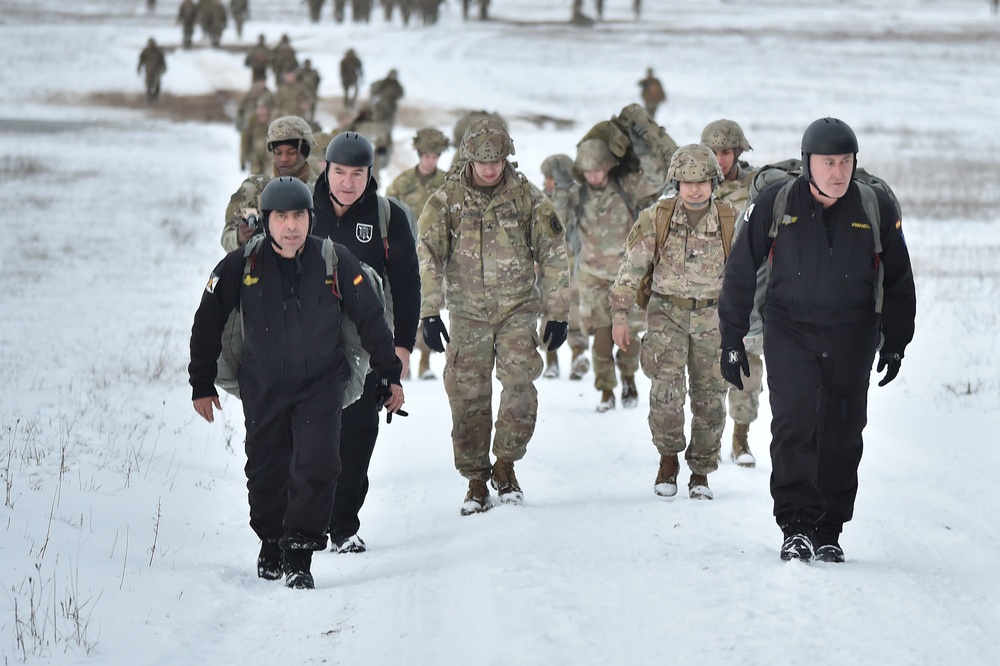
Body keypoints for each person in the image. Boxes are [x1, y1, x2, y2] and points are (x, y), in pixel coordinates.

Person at [189, 177, 404, 589]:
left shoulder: (336, 260)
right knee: (267, 469)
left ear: (310, 217)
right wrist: (201, 381)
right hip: (263, 383)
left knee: (318, 465)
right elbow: (208, 319)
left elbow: (372, 320)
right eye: (282, 217)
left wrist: (389, 375)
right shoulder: (240, 264)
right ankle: (271, 539)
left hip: (321, 382)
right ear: (267, 220)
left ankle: (300, 554)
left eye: (299, 216)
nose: (291, 226)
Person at [718, 117, 916, 562]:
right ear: (808, 162)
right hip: (790, 328)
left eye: (845, 162)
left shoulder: (874, 206)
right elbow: (740, 269)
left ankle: (829, 530)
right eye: (828, 162)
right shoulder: (774, 201)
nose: (838, 172)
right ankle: (796, 526)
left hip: (854, 330)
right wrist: (731, 337)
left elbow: (900, 277)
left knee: (843, 432)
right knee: (795, 425)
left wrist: (897, 340)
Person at [416, 118, 571, 515]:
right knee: (467, 397)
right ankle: (475, 481)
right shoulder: (446, 199)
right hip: (467, 314)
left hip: (517, 309)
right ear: (468, 157)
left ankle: (505, 466)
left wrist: (558, 312)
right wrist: (429, 310)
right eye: (482, 161)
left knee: (520, 385)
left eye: (497, 160)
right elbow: (427, 256)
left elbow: (553, 253)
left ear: (507, 157)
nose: (489, 169)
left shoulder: (528, 199)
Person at [312, 132, 421, 553]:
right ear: (326, 169)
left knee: (358, 431)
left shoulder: (387, 216)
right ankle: (307, 522)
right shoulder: (301, 208)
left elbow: (407, 284)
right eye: (339, 172)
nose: (347, 182)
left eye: (357, 174)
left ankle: (342, 527)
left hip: (366, 340)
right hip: (309, 337)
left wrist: (402, 347)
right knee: (307, 434)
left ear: (369, 174)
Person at [611, 145, 738, 501]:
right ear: (676, 182)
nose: (694, 189)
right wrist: (619, 315)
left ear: (714, 182)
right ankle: (668, 460)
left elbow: (748, 277)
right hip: (667, 313)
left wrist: (748, 326)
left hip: (715, 317)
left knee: (711, 397)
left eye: (701, 181)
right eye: (686, 181)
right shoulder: (658, 216)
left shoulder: (730, 219)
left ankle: (701, 472)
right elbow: (632, 268)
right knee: (666, 393)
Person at [572, 104, 675, 412]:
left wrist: (642, 144)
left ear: (609, 166)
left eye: (598, 169)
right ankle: (606, 391)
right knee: (602, 341)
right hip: (592, 277)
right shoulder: (577, 195)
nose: (593, 176)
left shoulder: (626, 187)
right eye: (587, 171)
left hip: (626, 278)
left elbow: (656, 179)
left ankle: (629, 379)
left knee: (628, 339)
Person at [700, 119, 759, 468]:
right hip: (703, 294)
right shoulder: (692, 185)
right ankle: (707, 439)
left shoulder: (757, 188)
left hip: (745, 295)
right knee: (707, 373)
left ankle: (741, 439)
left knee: (747, 371)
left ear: (738, 152)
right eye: (715, 152)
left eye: (727, 151)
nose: (720, 159)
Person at [386, 127, 450, 380]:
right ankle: (403, 360)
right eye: (426, 155)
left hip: (436, 255)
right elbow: (387, 212)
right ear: (419, 154)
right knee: (405, 307)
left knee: (431, 307)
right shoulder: (403, 183)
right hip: (407, 254)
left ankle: (425, 362)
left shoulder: (447, 183)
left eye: (434, 156)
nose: (430, 160)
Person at [224, 115, 319, 252]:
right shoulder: (253, 190)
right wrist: (239, 237)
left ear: (304, 152)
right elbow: (227, 236)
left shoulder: (323, 190)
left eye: (291, 153)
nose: (283, 159)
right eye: (278, 153)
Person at [539, 154, 589, 380]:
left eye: (555, 179)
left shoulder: (578, 197)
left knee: (576, 309)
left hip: (574, 261)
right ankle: (551, 360)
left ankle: (579, 355)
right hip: (549, 264)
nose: (551, 184)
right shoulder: (540, 200)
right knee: (549, 309)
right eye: (550, 179)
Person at [137, 38, 166, 103]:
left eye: (153, 44)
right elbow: (141, 61)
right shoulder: (145, 51)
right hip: (148, 70)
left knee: (157, 84)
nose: (152, 46)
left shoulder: (158, 52)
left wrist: (164, 67)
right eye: (150, 44)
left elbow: (162, 60)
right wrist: (139, 68)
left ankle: (155, 97)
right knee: (149, 84)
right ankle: (149, 98)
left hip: (156, 70)